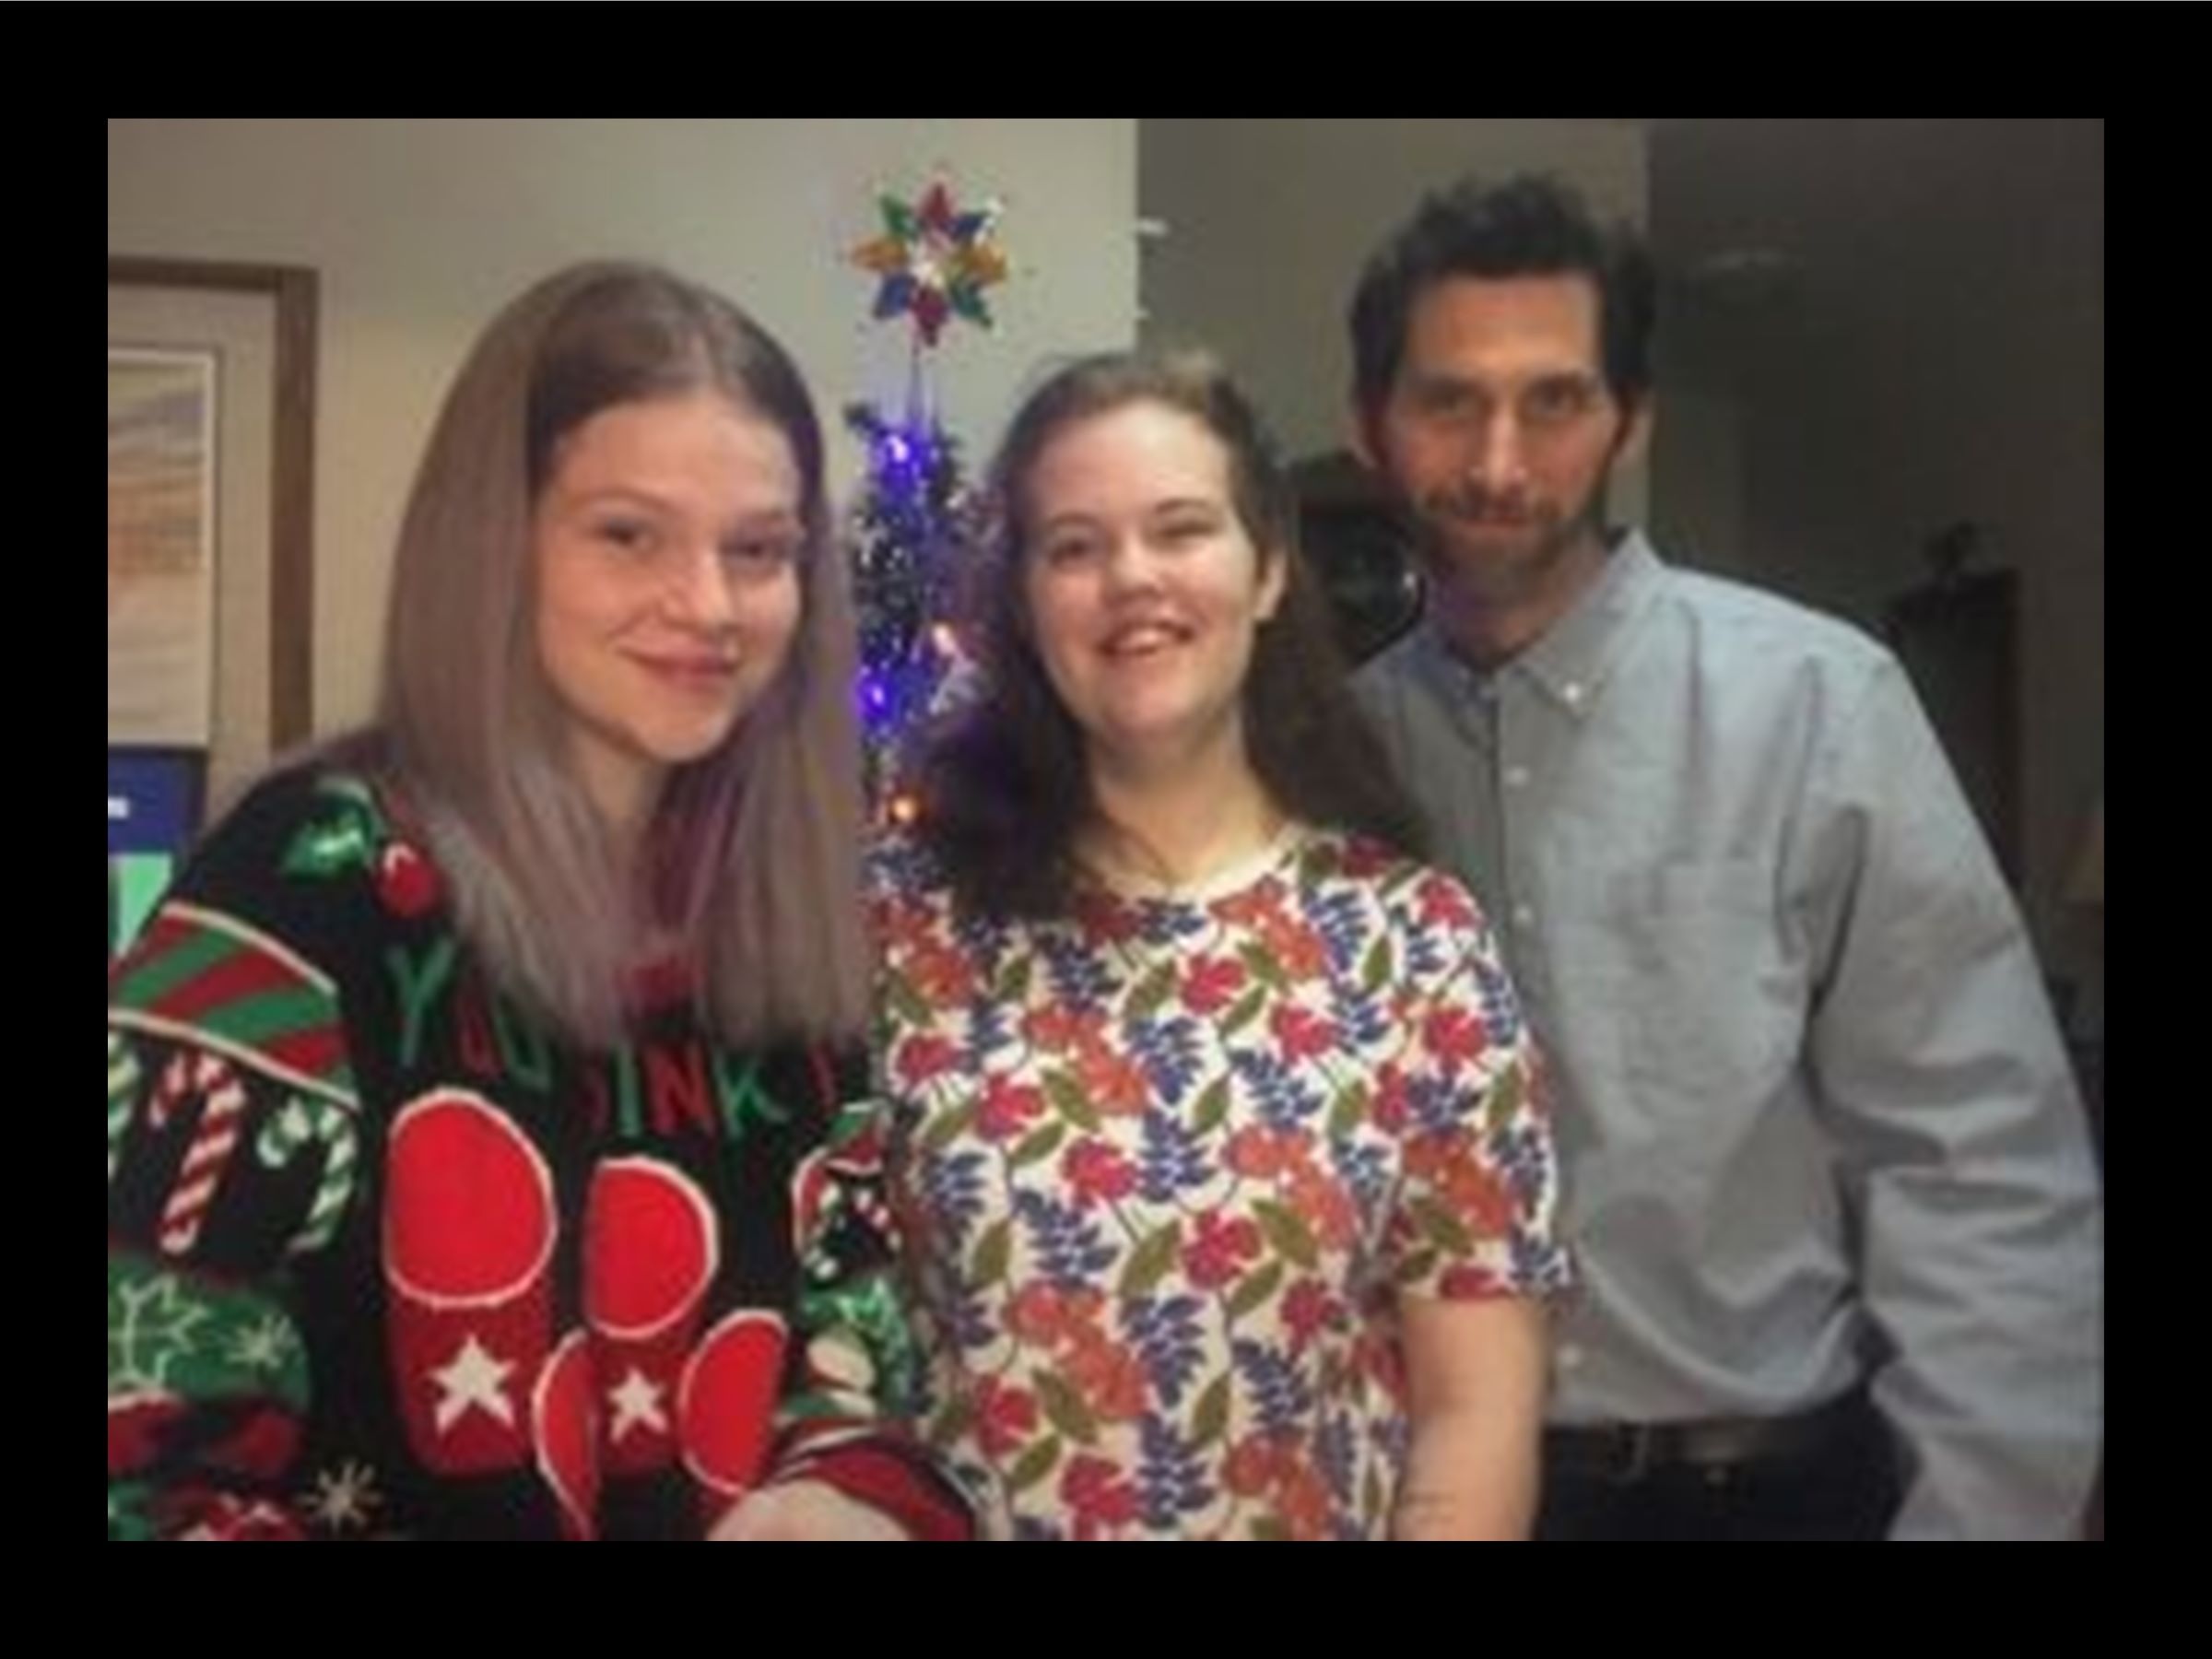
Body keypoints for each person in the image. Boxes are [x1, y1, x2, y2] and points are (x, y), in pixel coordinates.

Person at [107, 263, 969, 1541]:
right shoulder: (299, 894)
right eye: (628, 534)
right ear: (496, 544)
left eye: (760, 551)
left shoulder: (781, 915)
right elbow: (143, 1450)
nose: (710, 606)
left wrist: (843, 1493)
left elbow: (853, 1350)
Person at [1347, 175, 2103, 1539]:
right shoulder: (1328, 763)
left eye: (1556, 400)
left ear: (1629, 421)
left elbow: (1976, 1167)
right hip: (1418, 1495)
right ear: (1371, 428)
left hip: (1755, 1491)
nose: (1502, 460)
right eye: (1449, 399)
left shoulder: (1820, 707)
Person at [872, 350, 1570, 1540]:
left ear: (1268, 570)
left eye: (1181, 529)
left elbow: (1474, 1416)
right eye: (1075, 547)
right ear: (1028, 602)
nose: (1130, 579)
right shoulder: (904, 929)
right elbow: (831, 1338)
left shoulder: (1415, 950)